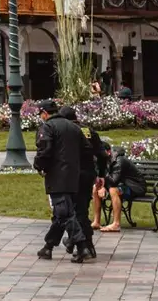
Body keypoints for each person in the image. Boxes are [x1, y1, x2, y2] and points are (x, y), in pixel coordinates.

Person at [33, 101, 92, 263]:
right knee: (62, 213)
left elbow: (44, 150)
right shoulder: (74, 127)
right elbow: (87, 149)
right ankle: (48, 247)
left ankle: (81, 246)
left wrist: (39, 166)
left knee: (65, 213)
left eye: (41, 114)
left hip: (57, 177)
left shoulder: (48, 127)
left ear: (45, 113)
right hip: (74, 176)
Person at [49, 106, 108, 259]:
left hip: (69, 175)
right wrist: (101, 175)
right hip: (87, 175)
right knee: (80, 210)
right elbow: (102, 154)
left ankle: (79, 244)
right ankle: (85, 244)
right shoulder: (88, 131)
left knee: (68, 212)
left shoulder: (65, 131)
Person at [92, 145, 146, 232]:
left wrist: (103, 185)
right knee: (95, 188)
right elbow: (98, 176)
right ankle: (96, 222)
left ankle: (116, 224)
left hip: (135, 187)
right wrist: (100, 186)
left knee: (113, 190)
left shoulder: (119, 161)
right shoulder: (102, 160)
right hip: (121, 185)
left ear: (108, 152)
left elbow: (113, 181)